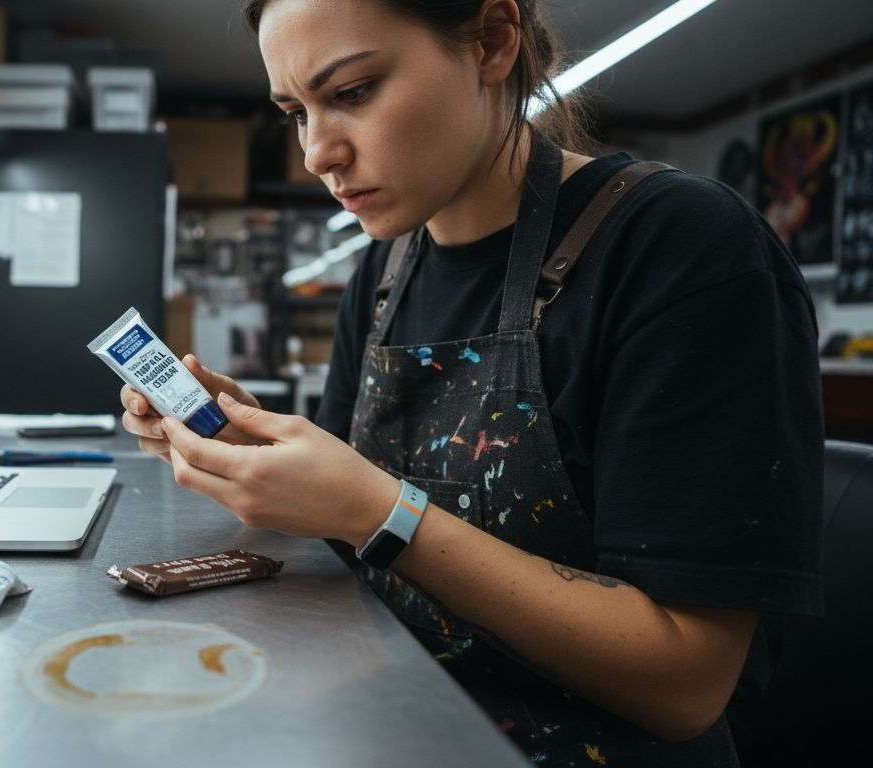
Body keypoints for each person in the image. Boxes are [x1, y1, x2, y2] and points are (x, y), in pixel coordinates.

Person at [118, 0, 824, 765]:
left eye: (352, 92)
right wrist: (245, 448)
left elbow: (685, 683)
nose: (317, 152)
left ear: (491, 41)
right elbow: (348, 541)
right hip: (392, 721)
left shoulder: (680, 249)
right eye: (296, 112)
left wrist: (380, 511)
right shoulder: (383, 275)